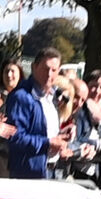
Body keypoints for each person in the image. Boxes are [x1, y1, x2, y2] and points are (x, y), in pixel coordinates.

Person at [3, 48, 74, 179]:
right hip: (28, 174)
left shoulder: (52, 97)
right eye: (45, 69)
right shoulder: (21, 97)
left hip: (53, 170)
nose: (49, 74)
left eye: (53, 70)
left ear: (58, 72)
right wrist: (47, 143)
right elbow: (13, 136)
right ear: (34, 67)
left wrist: (63, 134)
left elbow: (45, 131)